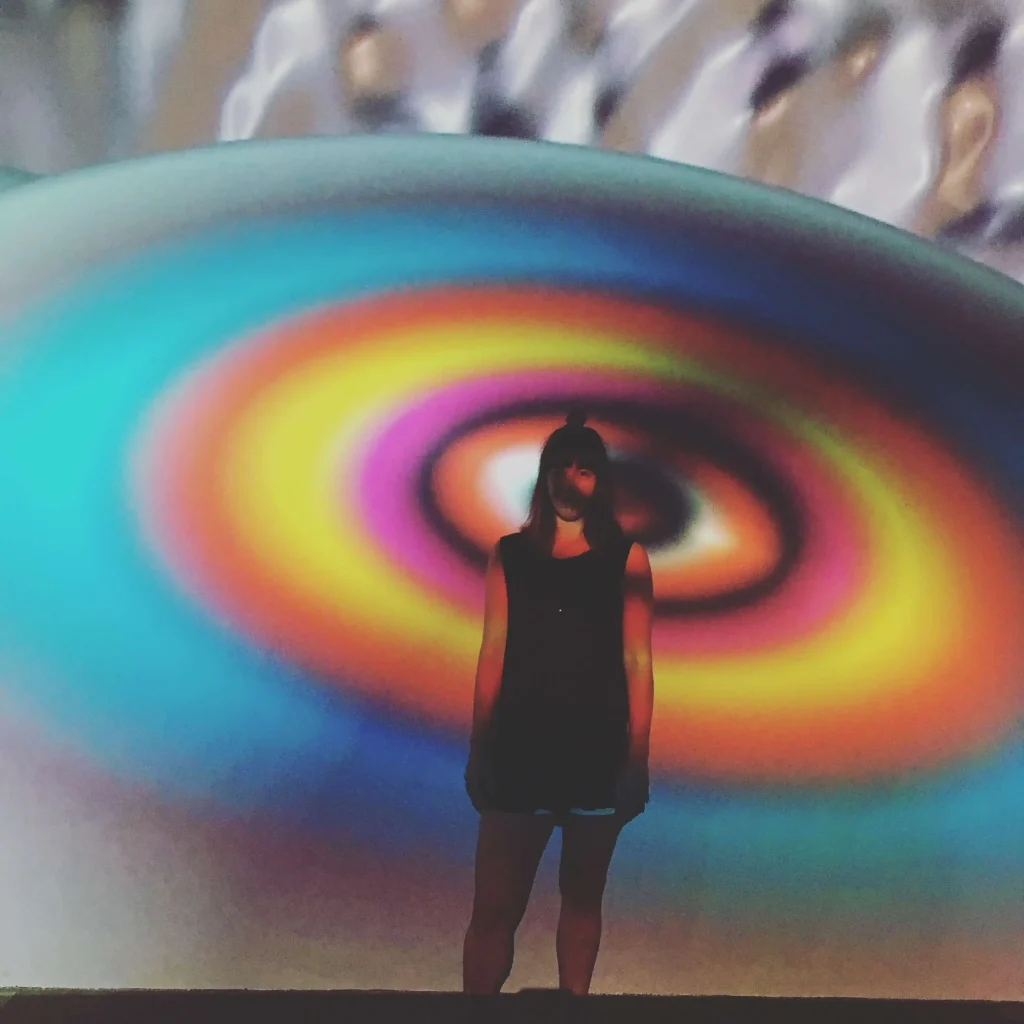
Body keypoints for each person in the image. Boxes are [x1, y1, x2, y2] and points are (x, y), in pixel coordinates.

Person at [462, 408, 655, 996]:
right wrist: (480, 748)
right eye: (561, 469)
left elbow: (638, 662)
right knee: (494, 907)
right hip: (518, 751)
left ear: (601, 481)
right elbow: (493, 650)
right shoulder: (510, 555)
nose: (571, 482)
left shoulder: (627, 559)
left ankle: (573, 1009)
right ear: (545, 476)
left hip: (595, 753)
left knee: (582, 899)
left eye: (584, 471)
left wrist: (635, 760)